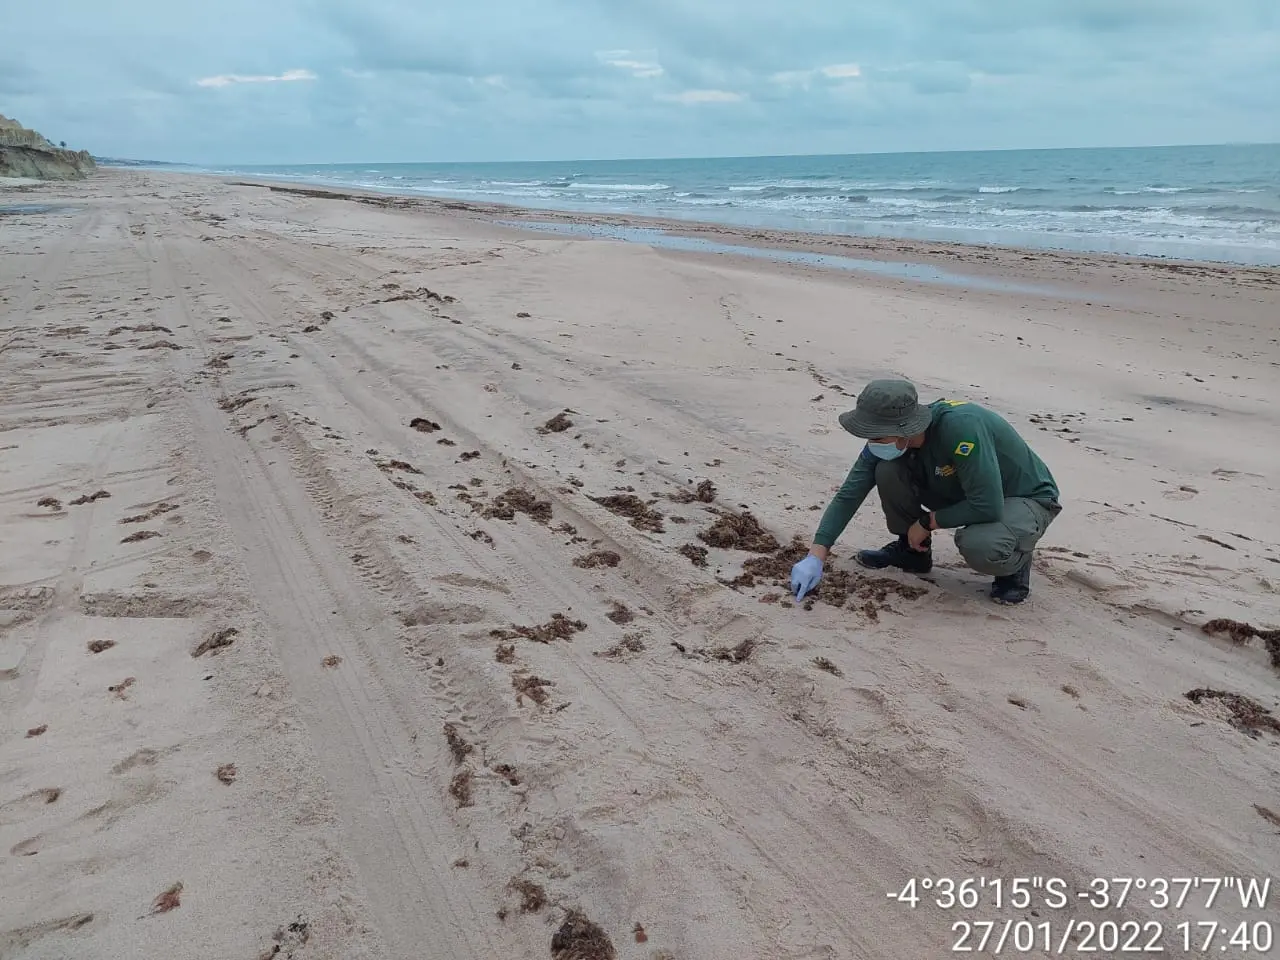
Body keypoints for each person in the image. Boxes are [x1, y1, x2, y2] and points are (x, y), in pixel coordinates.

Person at [790, 378, 1062, 605]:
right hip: (960, 488)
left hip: (1021, 497)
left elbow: (988, 505)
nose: (871, 442)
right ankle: (912, 553)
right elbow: (850, 493)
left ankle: (1014, 565)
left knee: (981, 545)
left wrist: (927, 522)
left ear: (904, 430)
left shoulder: (961, 427)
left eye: (877, 436)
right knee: (886, 470)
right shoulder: (889, 438)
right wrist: (816, 555)